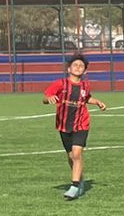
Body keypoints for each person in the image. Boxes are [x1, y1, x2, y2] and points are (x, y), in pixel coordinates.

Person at [44, 53, 107, 200]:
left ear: (85, 71)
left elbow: (86, 98)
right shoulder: (61, 83)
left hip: (81, 124)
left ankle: (74, 185)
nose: (78, 67)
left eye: (81, 66)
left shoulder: (85, 85)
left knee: (77, 153)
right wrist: (49, 99)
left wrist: (97, 102)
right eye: (75, 65)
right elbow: (45, 97)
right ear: (68, 69)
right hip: (64, 125)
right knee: (71, 156)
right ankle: (80, 180)